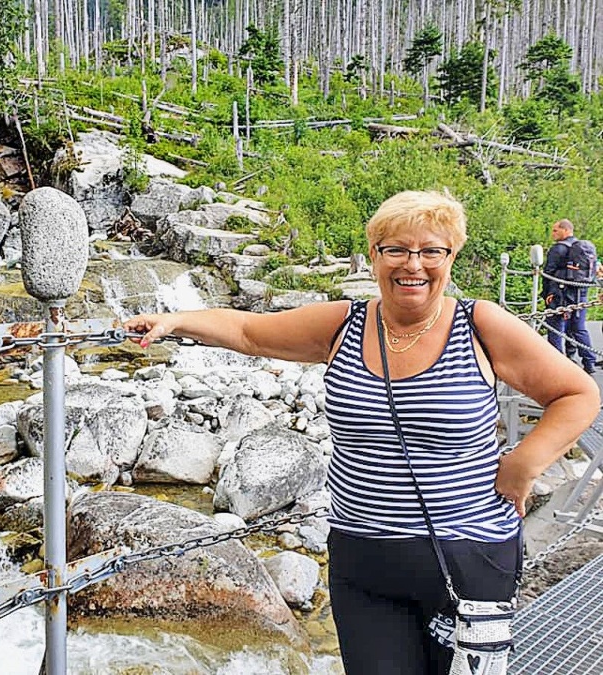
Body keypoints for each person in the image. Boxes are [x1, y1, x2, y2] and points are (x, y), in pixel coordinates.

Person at [124, 190, 599, 675]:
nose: (413, 264)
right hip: (363, 558)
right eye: (396, 249)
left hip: (467, 555)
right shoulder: (343, 324)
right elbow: (249, 332)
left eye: (431, 250)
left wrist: (524, 463)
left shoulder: (480, 325)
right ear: (374, 255)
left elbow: (577, 394)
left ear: (451, 256)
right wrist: (177, 320)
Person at [543, 219, 596, 374]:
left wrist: (546, 294)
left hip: (559, 293)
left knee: (555, 326)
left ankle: (557, 364)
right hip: (580, 292)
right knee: (579, 328)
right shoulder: (582, 248)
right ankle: (589, 361)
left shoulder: (558, 249)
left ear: (565, 230)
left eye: (555, 230)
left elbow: (548, 273)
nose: (553, 234)